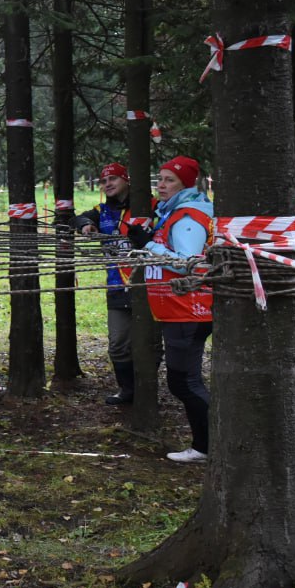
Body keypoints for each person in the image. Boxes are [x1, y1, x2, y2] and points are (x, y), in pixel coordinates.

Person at [129, 156, 214, 464]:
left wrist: (149, 245)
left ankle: (208, 446)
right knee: (184, 380)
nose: (160, 185)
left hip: (188, 310)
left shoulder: (188, 217)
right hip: (177, 310)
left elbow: (187, 262)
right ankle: (209, 443)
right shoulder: (172, 213)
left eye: (169, 180)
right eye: (160, 178)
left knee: (184, 382)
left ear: (186, 184)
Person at [73, 163, 140, 406]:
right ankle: (127, 390)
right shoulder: (101, 211)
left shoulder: (148, 206)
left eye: (113, 178)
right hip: (116, 286)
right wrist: (85, 225)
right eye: (103, 181)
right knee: (118, 343)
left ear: (127, 179)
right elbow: (78, 217)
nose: (108, 184)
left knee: (150, 344)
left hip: (150, 286)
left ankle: (147, 390)